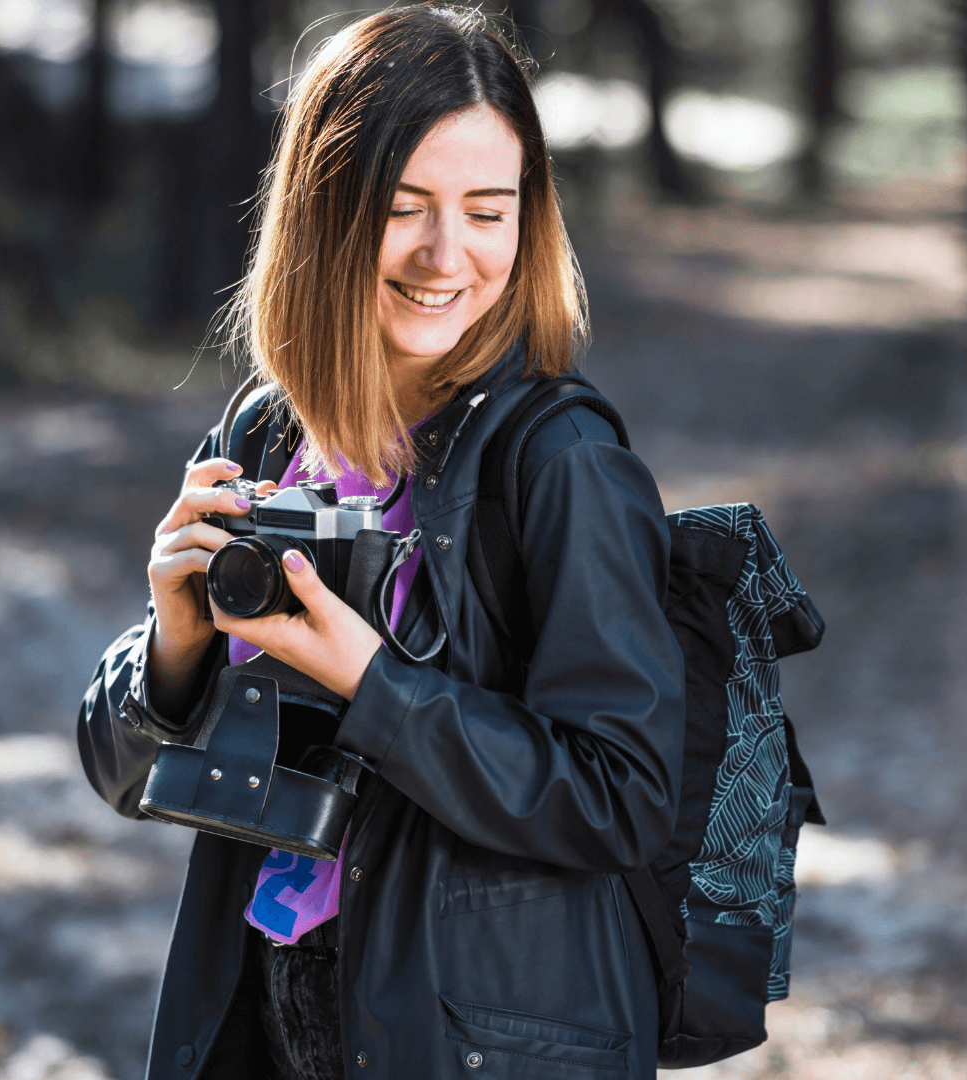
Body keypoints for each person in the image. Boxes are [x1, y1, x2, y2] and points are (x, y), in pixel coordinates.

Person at [74, 6, 685, 1079]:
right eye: (405, 208)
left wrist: (374, 685)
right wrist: (171, 648)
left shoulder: (561, 460)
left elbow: (624, 798)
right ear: (324, 209)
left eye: (487, 212)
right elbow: (120, 775)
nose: (448, 254)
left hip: (475, 1042)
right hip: (266, 1014)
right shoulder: (268, 433)